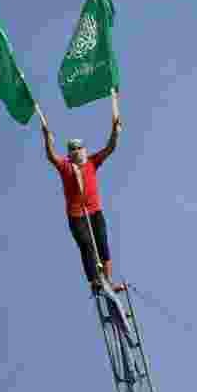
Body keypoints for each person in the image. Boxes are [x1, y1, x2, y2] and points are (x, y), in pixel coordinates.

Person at [42, 116, 124, 292]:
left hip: (94, 210)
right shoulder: (65, 166)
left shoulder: (92, 162)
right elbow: (51, 156)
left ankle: (109, 280)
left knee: (102, 242)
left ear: (84, 150)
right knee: (86, 244)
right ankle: (94, 280)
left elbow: (109, 148)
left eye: (79, 148)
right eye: (73, 149)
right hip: (76, 214)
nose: (77, 151)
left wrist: (115, 133)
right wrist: (47, 139)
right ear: (69, 152)